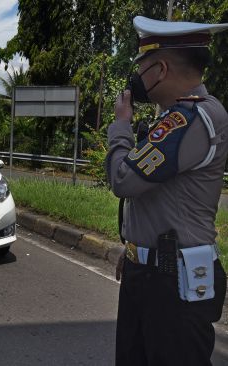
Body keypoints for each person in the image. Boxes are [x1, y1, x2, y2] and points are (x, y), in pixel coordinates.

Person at [106, 16, 228, 365]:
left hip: (172, 284)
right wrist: (135, 246)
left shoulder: (191, 118)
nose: (136, 76)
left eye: (141, 66)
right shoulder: (174, 117)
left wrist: (121, 127)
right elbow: (157, 195)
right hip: (154, 273)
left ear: (160, 68)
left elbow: (123, 179)